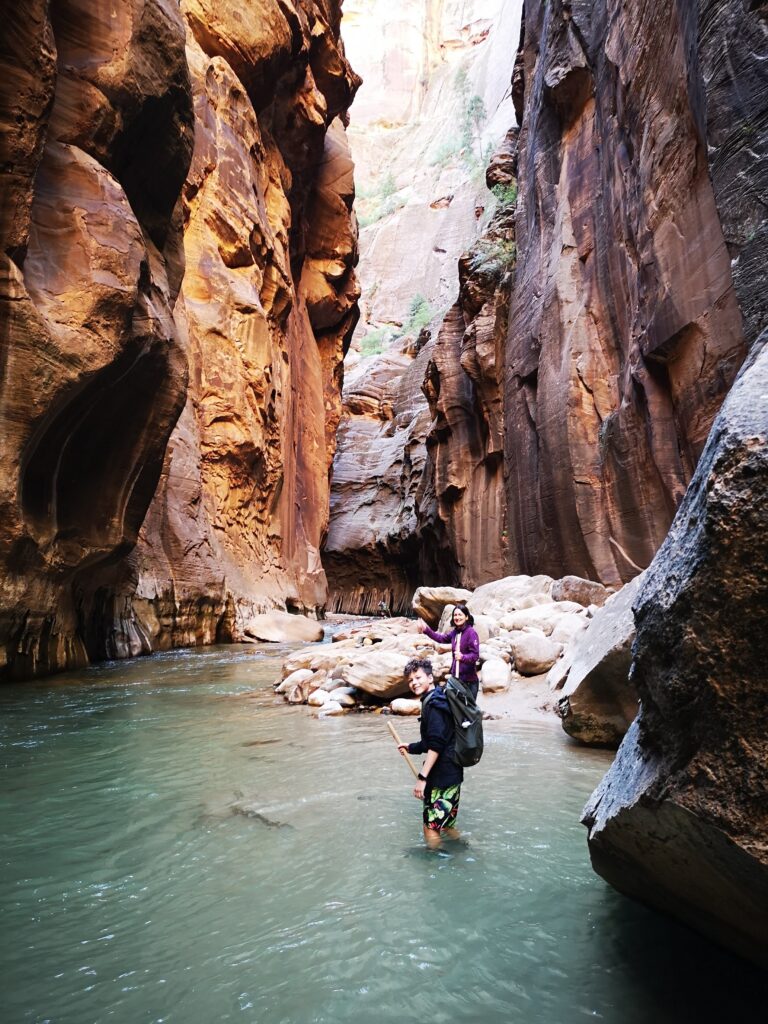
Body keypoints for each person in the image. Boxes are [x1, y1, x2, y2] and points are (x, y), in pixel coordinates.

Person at [398, 657, 463, 849]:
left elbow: (436, 745)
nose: (414, 683)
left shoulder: (435, 704)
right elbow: (434, 740)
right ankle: (464, 851)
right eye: (410, 680)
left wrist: (422, 777)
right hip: (452, 773)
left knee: (430, 829)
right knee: (446, 825)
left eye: (418, 677)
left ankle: (438, 863)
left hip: (442, 776)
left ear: (429, 677)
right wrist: (411, 747)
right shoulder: (438, 698)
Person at [418, 603, 480, 699]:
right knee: (453, 706)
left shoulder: (471, 633)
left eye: (460, 615)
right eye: (455, 615)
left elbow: (475, 655)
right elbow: (441, 638)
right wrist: (426, 630)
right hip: (456, 679)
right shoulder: (455, 632)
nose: (457, 617)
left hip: (469, 682)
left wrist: (462, 657)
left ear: (466, 617)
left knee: (467, 709)